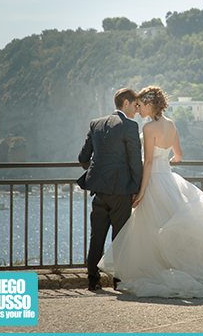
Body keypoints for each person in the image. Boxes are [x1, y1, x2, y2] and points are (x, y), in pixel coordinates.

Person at [97, 86, 203, 298]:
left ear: (149, 105)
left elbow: (148, 162)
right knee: (171, 228)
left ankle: (158, 271)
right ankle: (179, 270)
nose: (138, 110)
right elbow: (178, 154)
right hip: (169, 179)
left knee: (152, 228)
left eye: (140, 106)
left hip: (153, 182)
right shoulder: (171, 125)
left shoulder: (149, 129)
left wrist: (141, 192)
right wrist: (167, 162)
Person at [77, 88, 143, 291]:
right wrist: (138, 189)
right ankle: (118, 280)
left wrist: (98, 172)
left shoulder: (95, 124)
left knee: (97, 236)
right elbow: (135, 162)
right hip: (121, 191)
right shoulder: (130, 126)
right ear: (126, 103)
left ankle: (92, 280)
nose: (136, 109)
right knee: (120, 237)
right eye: (135, 105)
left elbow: (83, 159)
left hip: (99, 190)